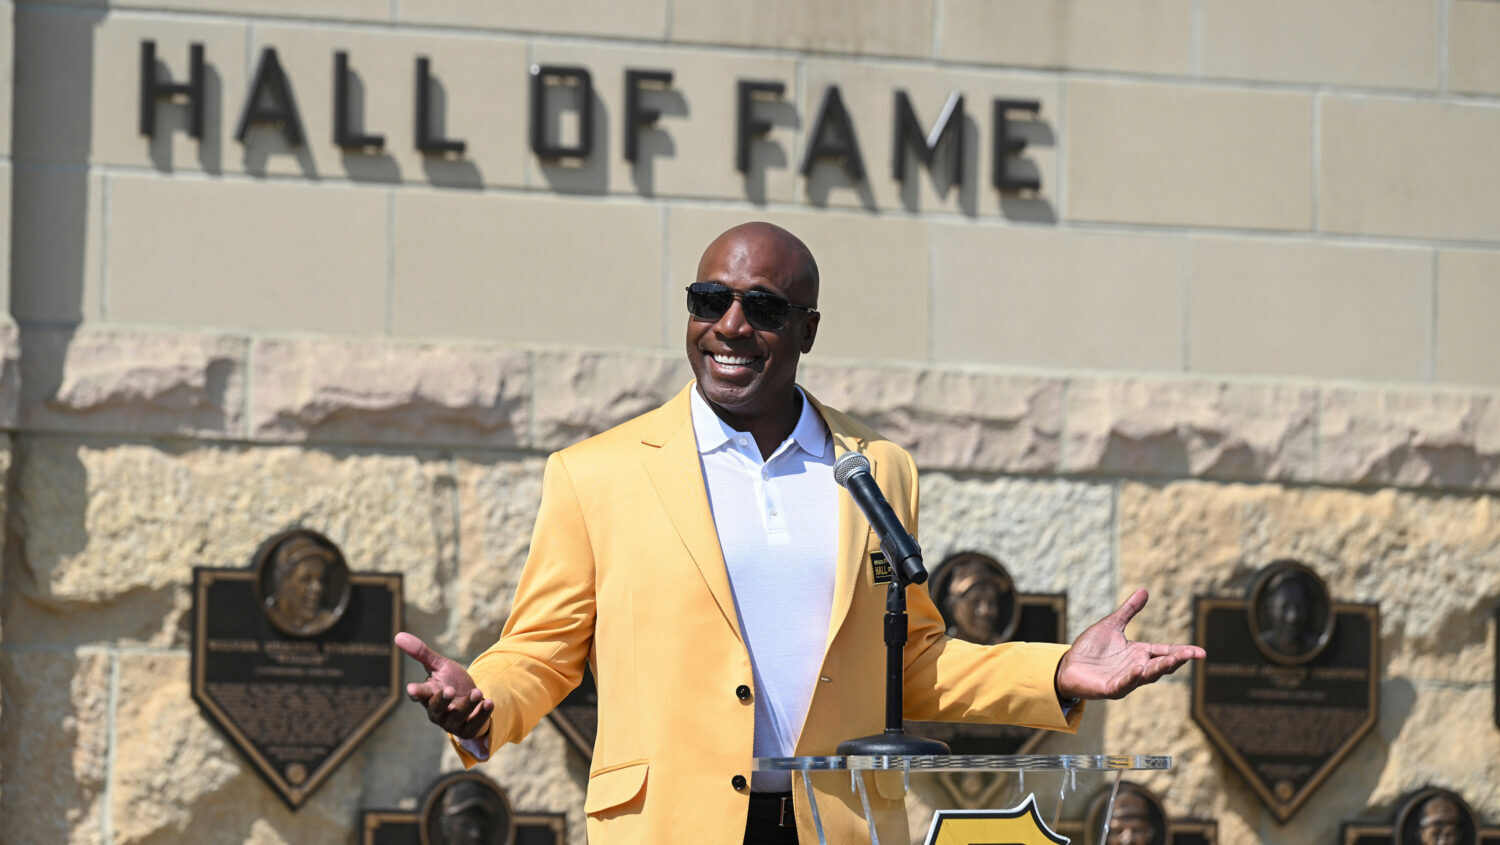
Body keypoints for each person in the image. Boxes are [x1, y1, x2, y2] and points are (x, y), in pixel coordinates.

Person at [395, 222, 1204, 845]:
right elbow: (543, 648)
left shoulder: (876, 468)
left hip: (839, 825)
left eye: (763, 308)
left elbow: (908, 665)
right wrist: (483, 698)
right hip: (670, 826)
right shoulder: (597, 473)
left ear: (808, 329)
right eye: (709, 301)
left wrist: (1059, 669)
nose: (730, 326)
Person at [263, 537, 339, 635]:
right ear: (284, 582)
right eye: (306, 579)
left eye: (321, 579)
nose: (318, 588)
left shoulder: (327, 620)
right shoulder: (266, 615)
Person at [938, 556, 1017, 645]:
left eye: (992, 602)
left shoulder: (1004, 649)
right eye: (975, 602)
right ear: (952, 606)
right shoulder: (943, 647)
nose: (986, 611)